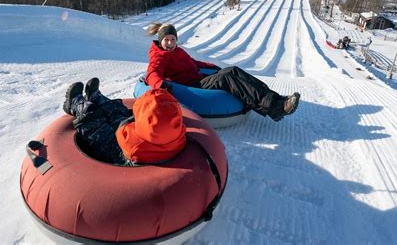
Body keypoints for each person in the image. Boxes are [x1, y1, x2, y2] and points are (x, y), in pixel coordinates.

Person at [145, 22, 300, 122]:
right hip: (192, 87)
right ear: (161, 40)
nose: (170, 43)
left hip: (199, 78)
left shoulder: (177, 51)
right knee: (228, 77)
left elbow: (193, 63)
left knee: (233, 70)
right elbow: (152, 73)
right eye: (167, 40)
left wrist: (210, 66)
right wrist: (160, 84)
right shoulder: (159, 56)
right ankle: (275, 108)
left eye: (173, 39)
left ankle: (278, 99)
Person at [63, 77, 186, 166]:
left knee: (97, 127)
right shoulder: (177, 133)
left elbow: (121, 133)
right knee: (119, 112)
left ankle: (75, 104)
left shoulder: (133, 146)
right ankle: (95, 98)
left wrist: (127, 121)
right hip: (146, 140)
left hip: (120, 154)